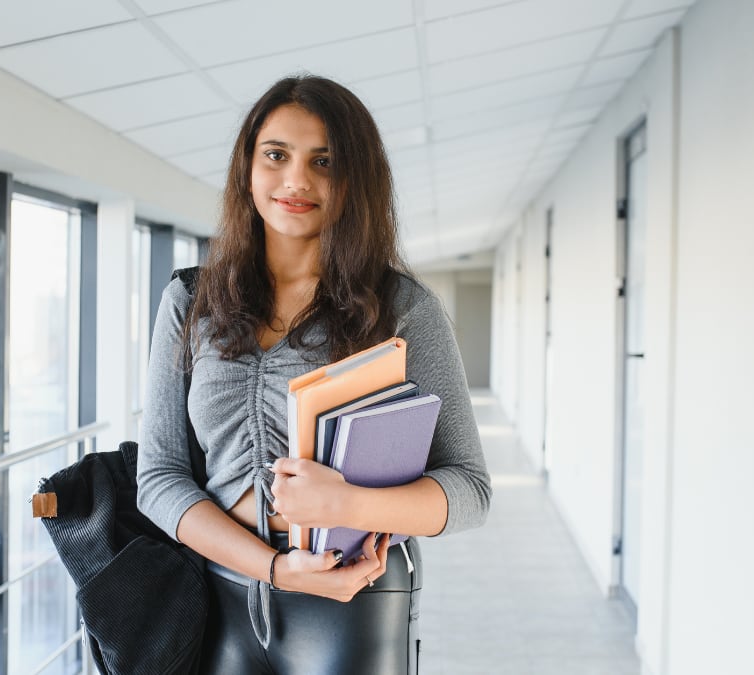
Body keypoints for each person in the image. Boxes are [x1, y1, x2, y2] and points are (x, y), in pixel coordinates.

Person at [137, 74, 491, 674]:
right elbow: (159, 477)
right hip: (222, 586)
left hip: (354, 595)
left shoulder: (402, 308)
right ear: (247, 167)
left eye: (322, 161)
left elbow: (470, 490)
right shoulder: (189, 299)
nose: (296, 180)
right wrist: (271, 567)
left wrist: (350, 505)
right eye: (276, 155)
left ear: (354, 178)